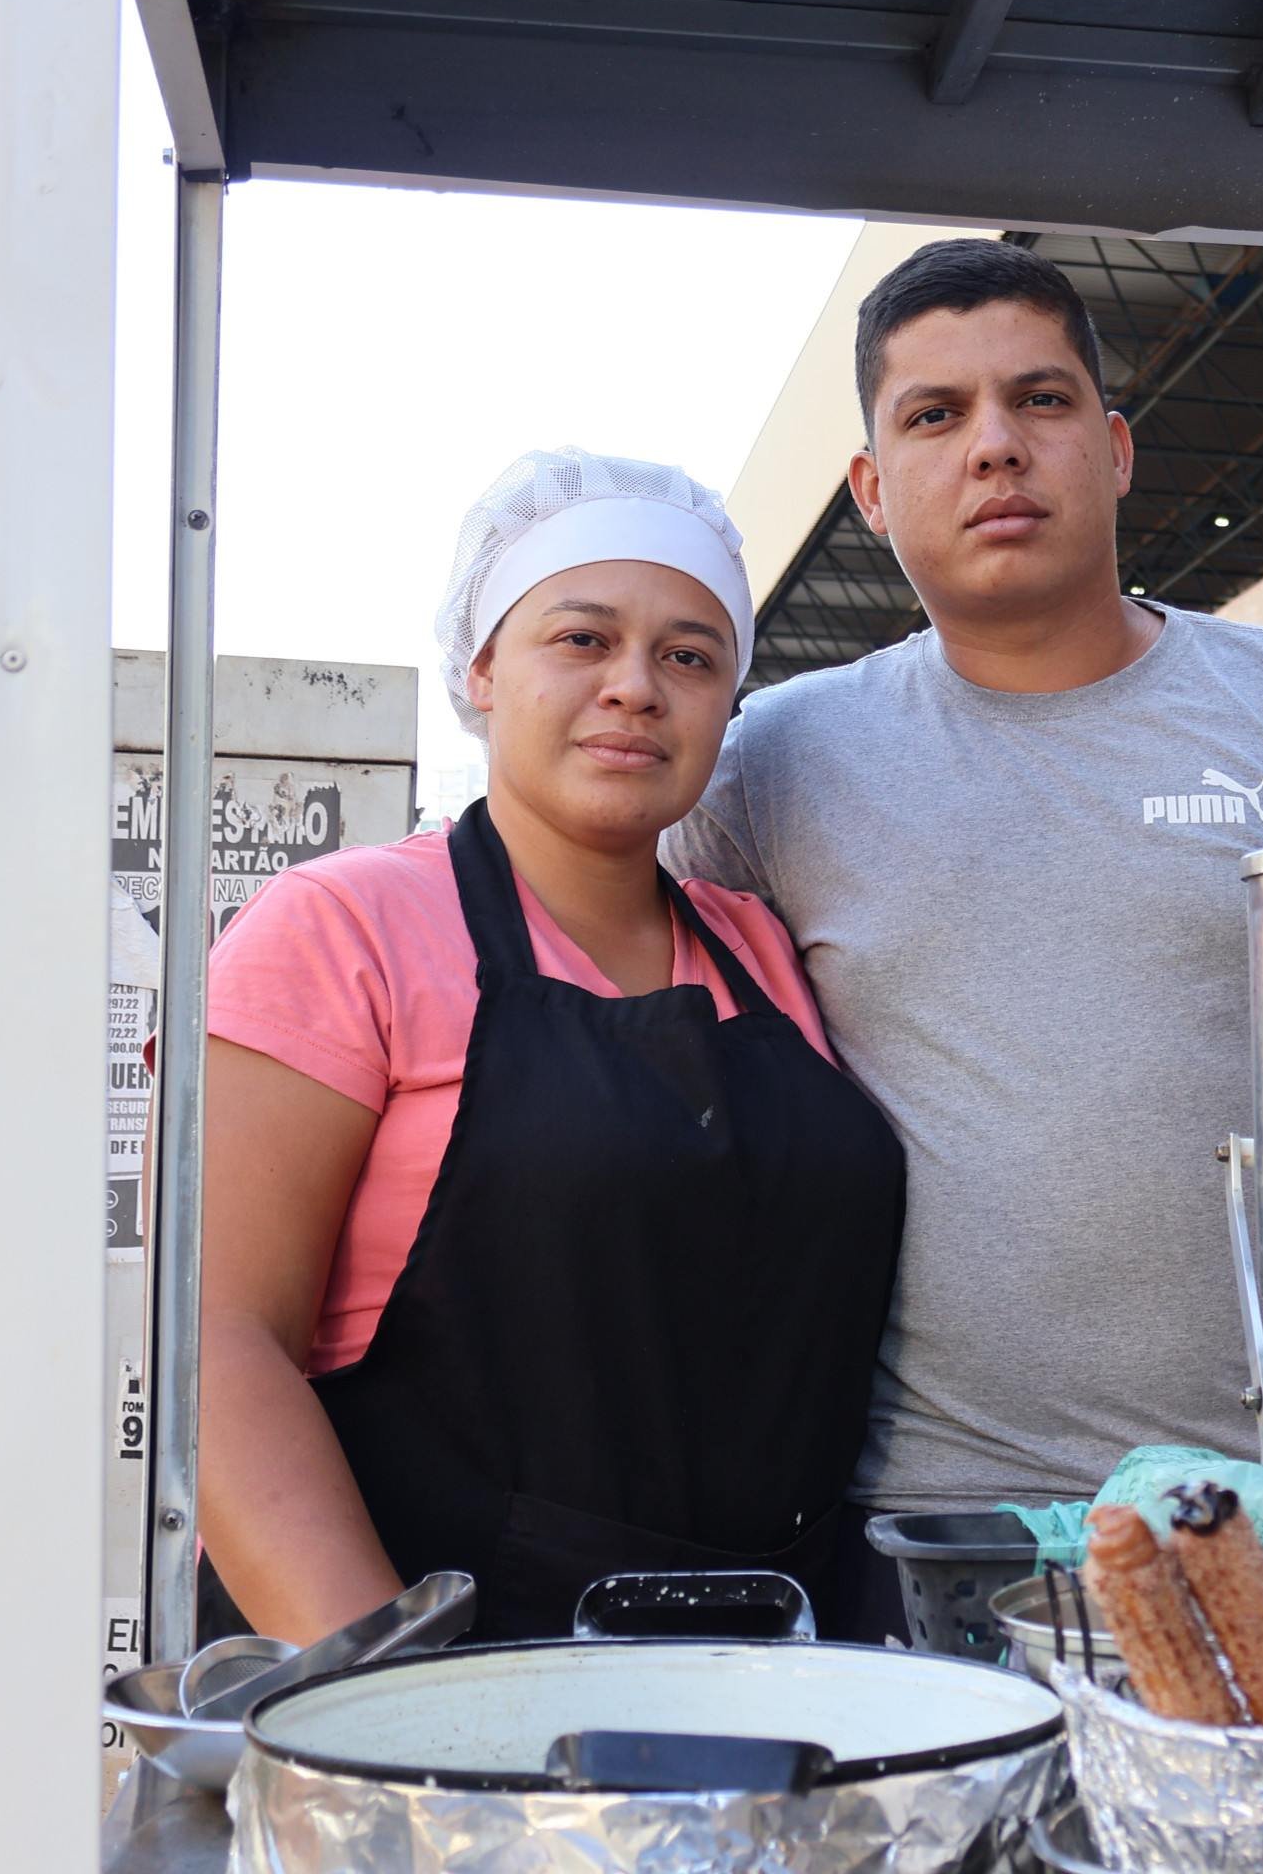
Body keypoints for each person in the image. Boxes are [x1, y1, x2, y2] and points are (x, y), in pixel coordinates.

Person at [664, 240, 1263, 1639]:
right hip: (950, 1535)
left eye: (1044, 401)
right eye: (936, 417)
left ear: (1119, 448)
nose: (997, 449)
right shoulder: (770, 768)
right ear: (871, 487)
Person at [193, 449, 903, 1643]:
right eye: (581, 639)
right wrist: (382, 1704)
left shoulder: (764, 949)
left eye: (689, 655)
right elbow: (216, 1349)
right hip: (457, 1691)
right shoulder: (341, 928)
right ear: (479, 667)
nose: (635, 686)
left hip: (776, 1668)